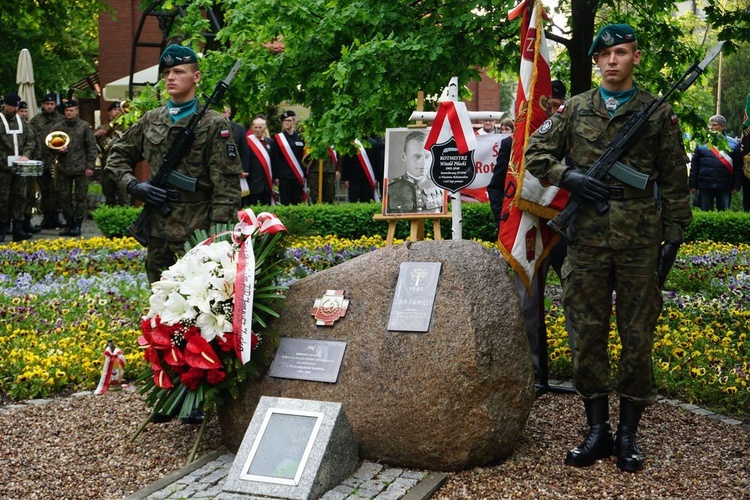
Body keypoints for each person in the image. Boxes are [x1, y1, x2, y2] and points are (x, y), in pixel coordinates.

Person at [524, 24, 692, 473]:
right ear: (596, 62)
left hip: (640, 240)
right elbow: (535, 154)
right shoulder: (575, 109)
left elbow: (675, 180)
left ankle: (628, 435)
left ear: (635, 57)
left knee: (638, 337)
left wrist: (673, 235)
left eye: (621, 52)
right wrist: (570, 177)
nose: (613, 60)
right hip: (588, 240)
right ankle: (596, 430)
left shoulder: (657, 112)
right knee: (588, 336)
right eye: (605, 54)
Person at [105, 44, 242, 285]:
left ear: (196, 76)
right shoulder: (151, 119)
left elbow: (227, 188)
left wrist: (220, 237)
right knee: (159, 298)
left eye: (179, 71)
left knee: (199, 299)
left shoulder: (213, 124)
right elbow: (117, 156)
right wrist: (134, 186)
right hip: (158, 227)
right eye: (167, 72)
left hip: (198, 230)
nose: (170, 77)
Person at [48, 100, 97, 236]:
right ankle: (69, 222)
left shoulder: (84, 127)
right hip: (64, 168)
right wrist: (58, 150)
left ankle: (77, 224)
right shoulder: (58, 127)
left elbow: (91, 148)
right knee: (64, 197)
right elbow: (49, 145)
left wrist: (90, 166)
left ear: (77, 111)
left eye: (72, 110)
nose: (69, 113)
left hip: (81, 168)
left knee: (80, 197)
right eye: (67, 111)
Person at [0, 92, 36, 241]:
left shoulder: (22, 122)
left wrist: (26, 155)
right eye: (12, 106)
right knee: (2, 198)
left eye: (17, 106)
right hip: (2, 169)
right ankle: (2, 228)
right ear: (5, 105)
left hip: (19, 167)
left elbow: (30, 141)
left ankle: (18, 229)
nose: (15, 109)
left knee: (20, 197)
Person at [688, 114, 743, 211]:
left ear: (722, 127)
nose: (711, 127)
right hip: (705, 185)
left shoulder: (733, 144)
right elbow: (694, 166)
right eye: (710, 125)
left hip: (725, 186)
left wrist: (736, 185)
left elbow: (738, 167)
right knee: (705, 214)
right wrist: (693, 185)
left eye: (714, 125)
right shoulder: (702, 142)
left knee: (724, 214)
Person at [30, 92, 65, 230]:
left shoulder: (61, 119)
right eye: (47, 104)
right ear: (42, 105)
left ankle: (55, 217)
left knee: (56, 190)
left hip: (57, 161)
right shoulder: (35, 120)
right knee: (44, 190)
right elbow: (31, 139)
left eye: (52, 104)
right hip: (41, 160)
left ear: (55, 105)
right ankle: (46, 217)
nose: (50, 106)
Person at [386, 130, 443, 214]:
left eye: (427, 156)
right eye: (417, 156)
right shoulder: (391, 189)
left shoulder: (439, 186)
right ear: (404, 157)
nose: (423, 163)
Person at [95, 101, 129, 206]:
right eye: (115, 110)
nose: (117, 112)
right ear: (109, 112)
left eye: (119, 110)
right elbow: (93, 145)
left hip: (122, 163)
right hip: (107, 163)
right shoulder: (102, 127)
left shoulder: (126, 126)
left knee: (124, 193)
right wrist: (96, 135)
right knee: (108, 191)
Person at [16, 101, 42, 235]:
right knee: (18, 196)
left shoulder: (29, 126)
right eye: (21, 111)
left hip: (30, 166)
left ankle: (27, 222)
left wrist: (36, 159)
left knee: (30, 195)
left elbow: (35, 143)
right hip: (16, 165)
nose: (24, 114)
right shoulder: (13, 126)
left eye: (25, 112)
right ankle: (15, 224)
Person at [272, 110, 306, 204]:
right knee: (285, 202)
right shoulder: (278, 138)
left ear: (294, 122)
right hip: (284, 176)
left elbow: (303, 158)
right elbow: (275, 158)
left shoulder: (300, 138)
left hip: (297, 175)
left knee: (297, 202)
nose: (286, 123)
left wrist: (304, 174)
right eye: (284, 121)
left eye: (289, 120)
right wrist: (276, 176)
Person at [340, 134, 385, 203]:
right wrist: (345, 178)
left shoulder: (373, 143)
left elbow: (378, 161)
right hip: (354, 178)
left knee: (367, 201)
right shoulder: (351, 143)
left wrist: (377, 177)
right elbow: (346, 161)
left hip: (368, 178)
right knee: (354, 201)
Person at [221, 105, 250, 205]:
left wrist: (244, 169)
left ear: (229, 113)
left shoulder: (238, 128)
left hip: (235, 169)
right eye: (220, 111)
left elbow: (244, 149)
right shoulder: (211, 126)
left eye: (224, 111)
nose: (222, 114)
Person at [244, 115, 275, 205]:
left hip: (267, 183)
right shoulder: (247, 142)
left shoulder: (270, 142)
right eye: (255, 127)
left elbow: (274, 161)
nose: (257, 130)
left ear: (264, 128)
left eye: (260, 127)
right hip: (253, 183)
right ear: (252, 128)